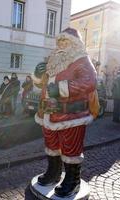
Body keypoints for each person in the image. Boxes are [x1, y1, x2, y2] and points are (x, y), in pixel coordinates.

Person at [32, 27, 98, 197]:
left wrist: (62, 89)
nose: (61, 44)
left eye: (65, 40)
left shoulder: (81, 60)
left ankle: (72, 180)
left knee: (71, 148)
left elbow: (89, 82)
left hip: (71, 114)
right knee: (51, 145)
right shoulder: (53, 60)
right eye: (59, 41)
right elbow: (41, 83)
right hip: (48, 111)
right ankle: (53, 173)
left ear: (75, 43)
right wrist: (38, 75)